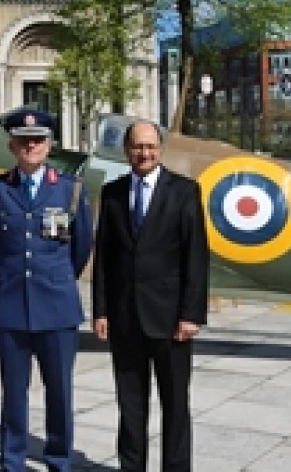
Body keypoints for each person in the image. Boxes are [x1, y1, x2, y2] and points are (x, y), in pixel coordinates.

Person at [91, 120, 209, 472]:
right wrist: (101, 311)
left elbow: (196, 257)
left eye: (150, 147)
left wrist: (191, 315)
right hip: (126, 319)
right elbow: (104, 260)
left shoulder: (184, 192)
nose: (144, 153)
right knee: (131, 407)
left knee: (174, 406)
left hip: (171, 320)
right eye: (137, 147)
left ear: (160, 149)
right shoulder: (113, 193)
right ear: (127, 151)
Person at [0, 108, 93, 472]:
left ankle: (59, 459)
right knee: (13, 393)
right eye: (24, 140)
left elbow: (81, 248)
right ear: (12, 144)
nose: (31, 146)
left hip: (57, 307)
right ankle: (12, 461)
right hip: (13, 305)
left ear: (49, 144)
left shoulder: (70, 189)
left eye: (39, 140)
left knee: (59, 392)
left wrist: (55, 278)